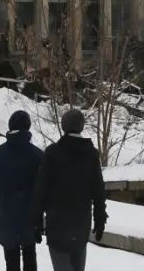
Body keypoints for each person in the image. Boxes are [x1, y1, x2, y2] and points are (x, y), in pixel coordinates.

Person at [33, 109, 107, 271]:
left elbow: (41, 189)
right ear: (81, 126)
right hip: (81, 225)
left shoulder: (52, 153)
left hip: (57, 224)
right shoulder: (91, 154)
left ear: (63, 126)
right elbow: (98, 191)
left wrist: (37, 221)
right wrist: (100, 220)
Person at [0, 111, 45, 271]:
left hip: (6, 220)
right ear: (28, 127)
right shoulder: (38, 156)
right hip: (30, 221)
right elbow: (44, 193)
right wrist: (41, 223)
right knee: (30, 259)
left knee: (11, 263)